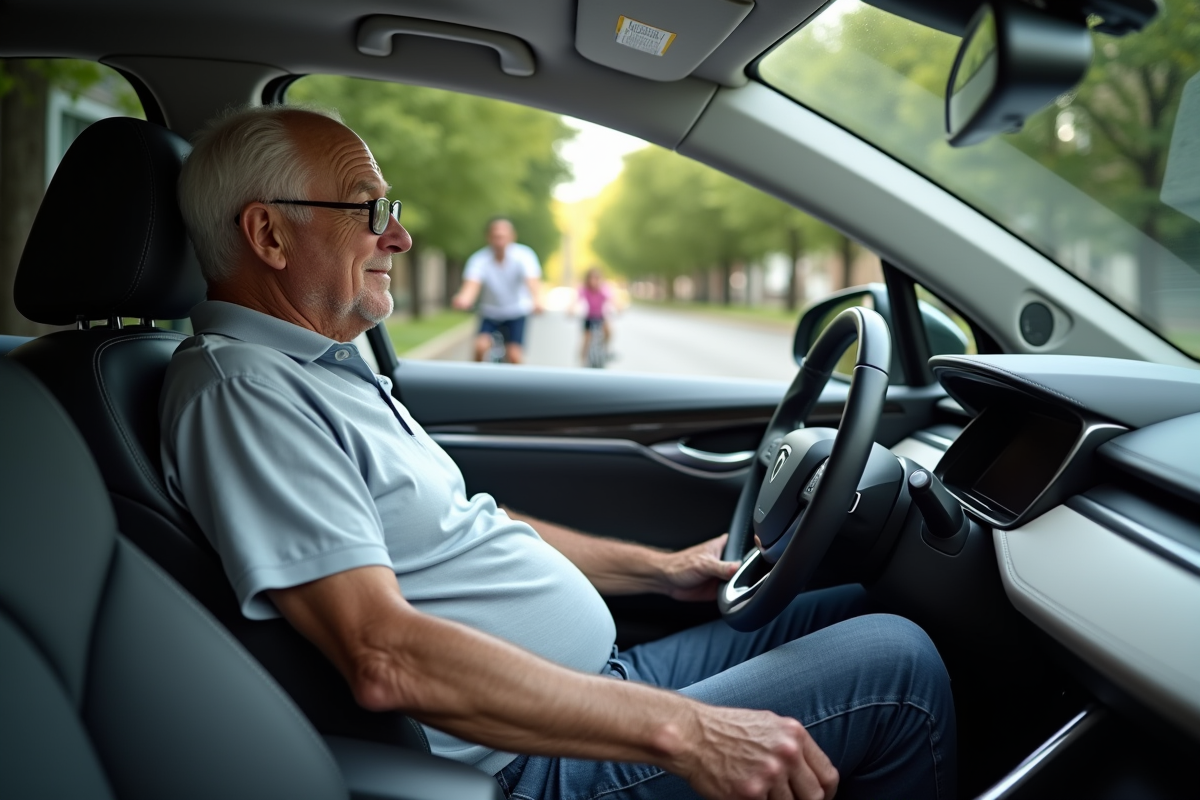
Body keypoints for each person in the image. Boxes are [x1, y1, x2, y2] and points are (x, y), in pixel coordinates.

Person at [162, 105, 956, 800]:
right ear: (268, 233)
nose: (398, 234)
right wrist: (687, 731)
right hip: (525, 765)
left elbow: (468, 526)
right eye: (368, 210)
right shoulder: (245, 393)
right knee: (897, 664)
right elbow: (382, 652)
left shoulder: (321, 367)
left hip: (586, 691)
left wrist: (658, 569)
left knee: (854, 606)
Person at [451, 217, 542, 364]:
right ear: (489, 237)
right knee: (480, 347)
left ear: (512, 237)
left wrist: (537, 300)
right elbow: (471, 286)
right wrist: (464, 299)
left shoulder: (524, 256)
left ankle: (517, 386)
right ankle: (476, 380)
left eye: (503, 236)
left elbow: (532, 282)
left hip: (516, 312)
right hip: (490, 313)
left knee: (515, 356)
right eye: (496, 236)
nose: (499, 240)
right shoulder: (479, 260)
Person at [576, 266, 614, 366]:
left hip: (601, 316)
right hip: (589, 317)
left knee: (608, 330)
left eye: (597, 278)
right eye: (592, 278)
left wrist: (618, 307)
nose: (595, 281)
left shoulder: (603, 289)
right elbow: (576, 300)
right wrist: (571, 308)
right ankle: (582, 359)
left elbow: (612, 299)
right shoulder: (584, 289)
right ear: (588, 279)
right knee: (587, 337)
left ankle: (605, 349)